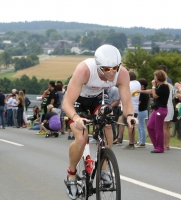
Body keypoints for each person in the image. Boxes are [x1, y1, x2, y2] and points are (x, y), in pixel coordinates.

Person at [62, 44, 138, 199]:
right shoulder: (85, 70)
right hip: (78, 100)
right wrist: (76, 118)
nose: (111, 73)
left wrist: (130, 116)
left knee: (108, 121)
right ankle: (72, 174)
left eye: (114, 68)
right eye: (106, 69)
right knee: (82, 136)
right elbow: (67, 103)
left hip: (97, 98)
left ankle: (104, 168)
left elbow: (127, 101)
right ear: (98, 66)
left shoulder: (121, 73)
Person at [139, 70, 169, 153]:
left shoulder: (164, 86)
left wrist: (153, 86)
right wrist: (141, 91)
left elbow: (155, 95)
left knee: (158, 128)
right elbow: (152, 91)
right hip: (156, 109)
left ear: (158, 78)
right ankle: (156, 145)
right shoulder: (159, 86)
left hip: (161, 109)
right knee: (149, 126)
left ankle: (160, 147)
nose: (154, 78)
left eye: (155, 77)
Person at [136, 78, 149, 148]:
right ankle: (140, 140)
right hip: (143, 110)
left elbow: (139, 102)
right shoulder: (145, 92)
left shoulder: (142, 93)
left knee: (141, 127)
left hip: (141, 110)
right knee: (139, 127)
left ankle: (142, 142)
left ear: (142, 86)